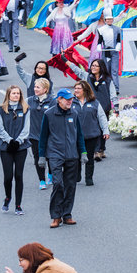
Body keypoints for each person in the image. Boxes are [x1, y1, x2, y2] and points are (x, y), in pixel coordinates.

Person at [38, 89, 87, 228]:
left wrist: (83, 152)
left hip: (72, 154)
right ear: (59, 99)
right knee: (58, 183)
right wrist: (42, 156)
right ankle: (55, 216)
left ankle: (67, 215)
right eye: (67, 99)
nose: (70, 101)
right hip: (55, 154)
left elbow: (79, 135)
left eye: (71, 99)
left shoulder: (74, 113)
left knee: (70, 185)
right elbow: (43, 136)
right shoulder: (49, 114)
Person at [68, 59, 114, 161]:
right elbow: (77, 70)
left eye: (96, 66)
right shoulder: (87, 77)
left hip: (104, 108)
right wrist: (65, 60)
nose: (93, 67)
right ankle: (96, 151)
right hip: (91, 107)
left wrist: (116, 107)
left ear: (101, 67)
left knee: (103, 128)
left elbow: (112, 93)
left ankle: (101, 149)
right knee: (95, 129)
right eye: (92, 65)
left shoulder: (107, 80)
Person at [0, 85, 30, 215]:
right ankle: (7, 197)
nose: (16, 95)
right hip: (6, 147)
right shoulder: (1, 110)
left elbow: (26, 128)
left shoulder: (26, 109)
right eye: (13, 93)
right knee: (8, 176)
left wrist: (18, 141)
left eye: (18, 93)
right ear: (8, 95)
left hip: (20, 147)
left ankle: (18, 204)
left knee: (19, 175)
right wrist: (9, 140)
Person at [71, 81, 107, 186]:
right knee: (76, 156)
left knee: (89, 157)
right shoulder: (71, 102)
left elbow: (101, 117)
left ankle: (89, 178)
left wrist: (105, 131)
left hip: (91, 135)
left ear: (85, 90)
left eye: (79, 88)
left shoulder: (94, 102)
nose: (76, 90)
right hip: (76, 136)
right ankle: (77, 175)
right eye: (75, 88)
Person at [27, 78, 53, 191]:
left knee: (50, 157)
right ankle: (42, 180)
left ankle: (51, 175)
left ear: (45, 89)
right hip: (34, 135)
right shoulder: (29, 100)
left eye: (38, 87)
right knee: (38, 158)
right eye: (35, 87)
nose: (35, 89)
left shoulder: (52, 101)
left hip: (49, 135)